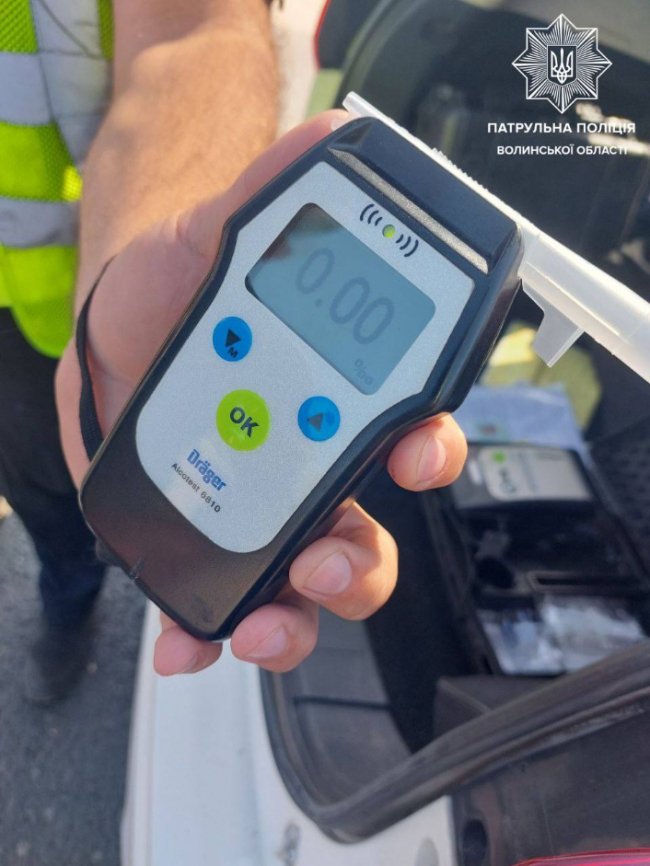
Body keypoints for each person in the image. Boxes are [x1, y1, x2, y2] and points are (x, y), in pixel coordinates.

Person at [2, 0, 468, 694]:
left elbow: (194, 30)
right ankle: (66, 595)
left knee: (73, 499)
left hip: (72, 316)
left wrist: (125, 301)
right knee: (37, 497)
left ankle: (69, 604)